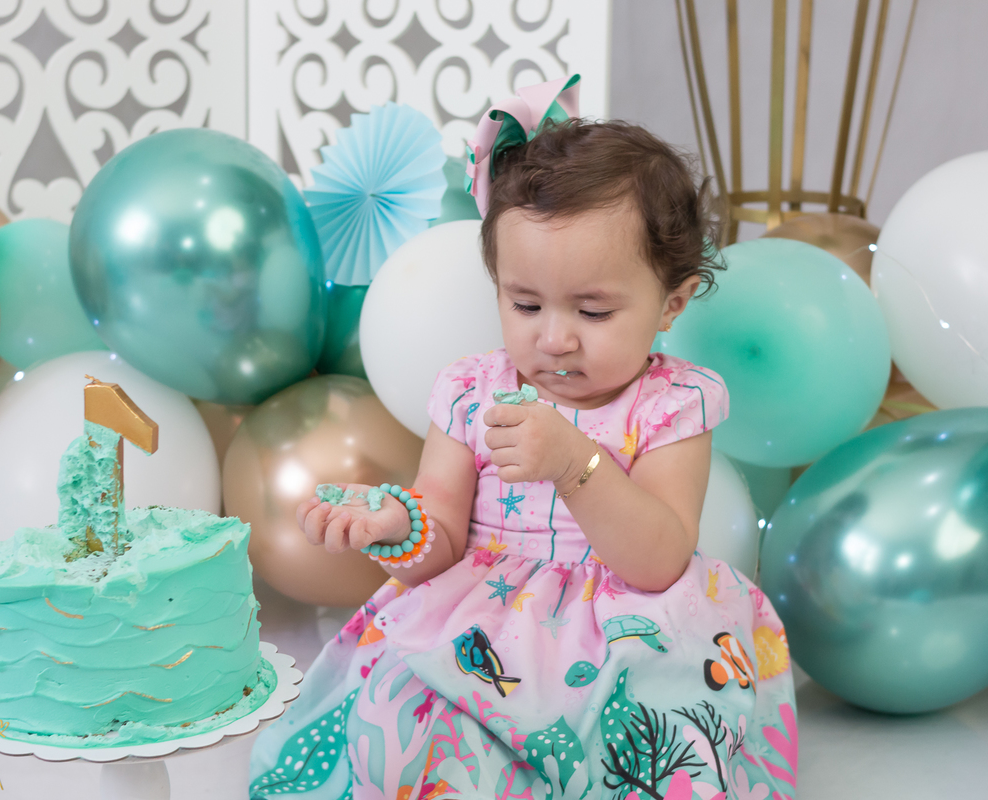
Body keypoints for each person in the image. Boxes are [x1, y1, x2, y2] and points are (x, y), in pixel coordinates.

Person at [249, 75, 797, 800]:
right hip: (476, 622)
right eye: (526, 302)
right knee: (397, 718)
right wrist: (394, 523)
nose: (554, 337)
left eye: (594, 311)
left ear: (672, 301)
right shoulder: (473, 392)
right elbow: (442, 528)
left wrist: (575, 464)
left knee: (653, 734)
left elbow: (659, 559)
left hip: (624, 628)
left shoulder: (670, 404)